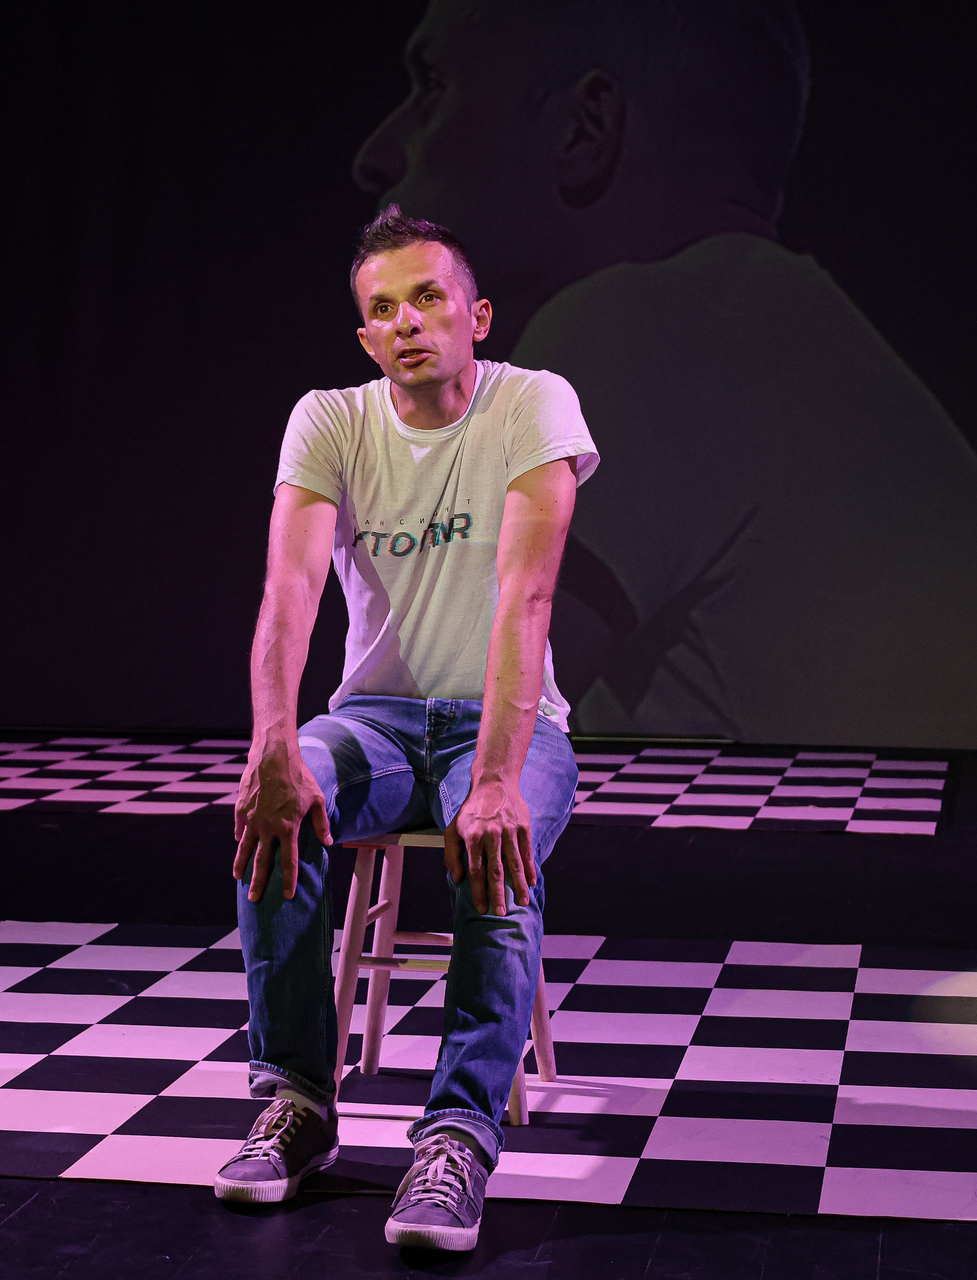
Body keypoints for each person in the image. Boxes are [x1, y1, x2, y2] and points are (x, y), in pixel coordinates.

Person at [350, 0, 977, 750]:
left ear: (584, 129)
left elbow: (432, 745)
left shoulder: (652, 326)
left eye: (434, 85)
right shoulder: (767, 333)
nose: (375, 155)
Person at [213, 205, 598, 1253]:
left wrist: (496, 779)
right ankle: (297, 1101)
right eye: (384, 309)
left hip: (507, 720)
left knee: (496, 849)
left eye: (429, 297)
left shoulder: (534, 403)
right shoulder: (329, 420)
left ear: (477, 315)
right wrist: (272, 748)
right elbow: (288, 594)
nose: (408, 321)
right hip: (375, 718)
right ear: (365, 337)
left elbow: (525, 598)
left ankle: (457, 1136)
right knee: (279, 809)